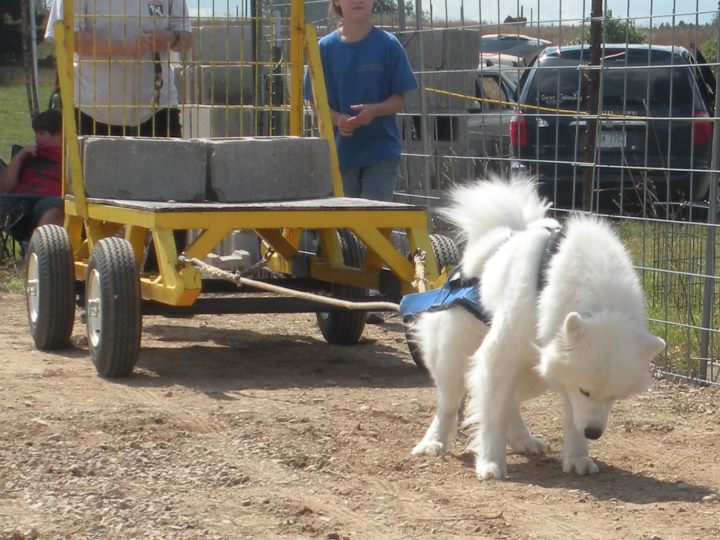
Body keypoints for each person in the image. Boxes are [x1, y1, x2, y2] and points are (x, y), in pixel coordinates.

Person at [303, 0, 418, 202]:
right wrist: (338, 119)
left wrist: (374, 111)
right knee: (345, 224)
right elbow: (315, 102)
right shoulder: (323, 49)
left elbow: (399, 99)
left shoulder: (389, 45)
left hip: (381, 153)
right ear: (337, 2)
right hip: (340, 155)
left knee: (374, 222)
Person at [44, 0, 192, 137]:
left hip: (158, 108)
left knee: (167, 165)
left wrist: (170, 38)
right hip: (92, 110)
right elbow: (66, 36)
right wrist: (123, 47)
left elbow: (187, 38)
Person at [0, 109, 64, 247]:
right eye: (36, 134)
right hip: (19, 200)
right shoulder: (29, 155)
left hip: (48, 200)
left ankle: (34, 254)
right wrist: (19, 157)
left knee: (54, 206)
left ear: (59, 135)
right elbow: (6, 187)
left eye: (42, 134)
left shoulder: (70, 158)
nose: (37, 138)